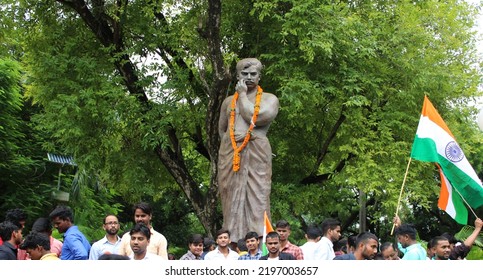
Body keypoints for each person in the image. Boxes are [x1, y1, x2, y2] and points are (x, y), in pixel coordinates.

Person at [217, 58, 280, 243]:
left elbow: (255, 117)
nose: (249, 77)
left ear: (260, 76)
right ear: (237, 76)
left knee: (258, 196)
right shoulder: (228, 101)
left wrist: (243, 95)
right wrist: (234, 145)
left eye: (253, 74)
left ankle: (259, 240)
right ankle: (232, 241)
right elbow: (222, 129)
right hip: (231, 154)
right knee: (229, 197)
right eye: (245, 74)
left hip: (257, 152)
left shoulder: (270, 99)